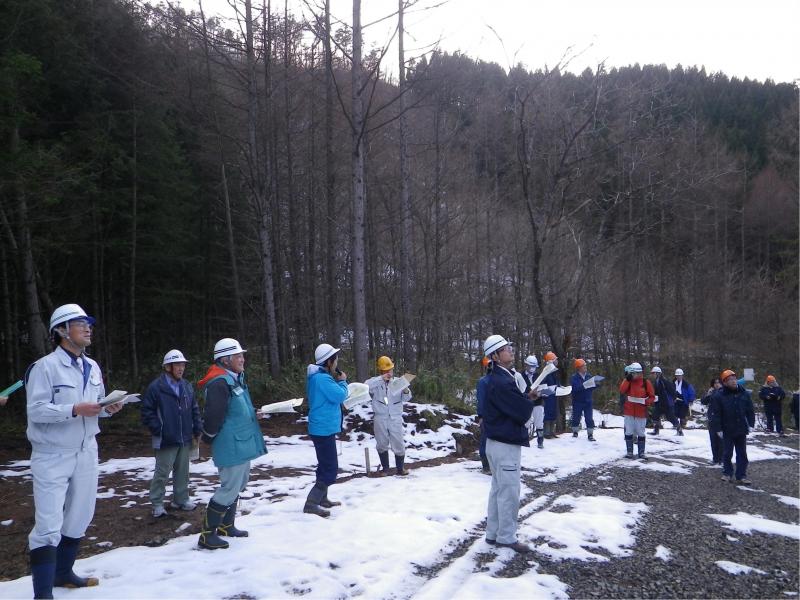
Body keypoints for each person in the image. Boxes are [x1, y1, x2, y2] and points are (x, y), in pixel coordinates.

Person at [25, 303, 124, 599]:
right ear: (62, 331)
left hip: (86, 451)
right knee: (48, 524)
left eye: (88, 323)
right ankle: (43, 593)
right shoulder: (43, 367)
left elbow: (94, 407)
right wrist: (73, 409)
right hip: (52, 454)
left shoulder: (92, 367)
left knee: (80, 515)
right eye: (80, 323)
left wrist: (108, 408)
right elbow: (36, 410)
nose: (87, 327)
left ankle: (63, 572)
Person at [197, 338, 266, 550]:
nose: (242, 359)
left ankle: (227, 526)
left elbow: (235, 408)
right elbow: (214, 416)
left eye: (242, 355)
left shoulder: (234, 378)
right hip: (231, 444)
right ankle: (207, 536)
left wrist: (253, 414)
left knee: (239, 484)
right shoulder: (219, 382)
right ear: (225, 360)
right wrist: (207, 438)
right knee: (229, 488)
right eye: (238, 356)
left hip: (241, 442)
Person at [482, 335, 537, 553]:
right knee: (509, 492)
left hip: (496, 443)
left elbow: (513, 404)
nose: (511, 351)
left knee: (498, 489)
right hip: (505, 445)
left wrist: (526, 397)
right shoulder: (503, 381)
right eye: (506, 349)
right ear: (495, 356)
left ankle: (493, 533)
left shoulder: (498, 378)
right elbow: (521, 412)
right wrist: (529, 400)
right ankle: (506, 537)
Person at [141, 349, 202, 518]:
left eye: (183, 364)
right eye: (178, 365)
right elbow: (147, 411)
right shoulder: (156, 387)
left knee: (183, 470)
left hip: (184, 437)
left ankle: (181, 500)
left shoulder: (187, 386)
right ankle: (157, 503)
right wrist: (159, 429)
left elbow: (194, 409)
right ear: (168, 367)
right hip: (165, 439)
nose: (181, 368)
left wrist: (197, 429)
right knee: (162, 472)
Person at [304, 343, 349, 517]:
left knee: (324, 465)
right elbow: (340, 395)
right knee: (330, 468)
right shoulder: (322, 379)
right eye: (335, 359)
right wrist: (343, 381)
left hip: (322, 428)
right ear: (329, 362)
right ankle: (311, 503)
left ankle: (322, 499)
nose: (337, 362)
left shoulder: (319, 377)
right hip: (323, 429)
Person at [366, 355, 411, 476]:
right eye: (386, 371)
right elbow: (366, 386)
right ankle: (385, 469)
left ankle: (400, 469)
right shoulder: (375, 382)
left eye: (390, 370)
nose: (389, 373)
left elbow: (407, 398)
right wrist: (381, 378)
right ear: (381, 371)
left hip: (395, 417)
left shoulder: (397, 382)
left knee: (398, 443)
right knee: (381, 443)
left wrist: (405, 389)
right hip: (380, 417)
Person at [711, 369, 755, 484]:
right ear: (724, 382)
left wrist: (751, 424)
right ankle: (727, 473)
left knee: (742, 454)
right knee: (727, 453)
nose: (733, 381)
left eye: (734, 379)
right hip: (727, 429)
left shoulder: (744, 393)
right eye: (730, 380)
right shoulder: (719, 396)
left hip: (741, 428)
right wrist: (718, 428)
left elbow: (750, 410)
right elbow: (716, 414)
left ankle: (741, 475)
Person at [619, 362, 655, 459]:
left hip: (641, 412)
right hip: (629, 411)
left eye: (634, 373)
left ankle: (641, 453)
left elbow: (652, 397)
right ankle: (629, 452)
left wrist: (646, 401)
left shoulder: (645, 382)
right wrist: (627, 379)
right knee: (628, 432)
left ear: (639, 373)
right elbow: (622, 390)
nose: (633, 375)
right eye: (632, 373)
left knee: (641, 432)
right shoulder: (628, 381)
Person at [649, 366, 683, 436]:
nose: (652, 375)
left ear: (658, 373)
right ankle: (656, 430)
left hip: (667, 404)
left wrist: (674, 399)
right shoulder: (657, 381)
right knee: (655, 415)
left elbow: (672, 391)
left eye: (653, 373)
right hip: (660, 403)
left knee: (671, 417)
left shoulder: (664, 381)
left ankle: (679, 431)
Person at [570, 358, 597, 441]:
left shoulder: (589, 376)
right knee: (576, 417)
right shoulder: (574, 377)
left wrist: (596, 384)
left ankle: (590, 434)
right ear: (579, 368)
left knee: (589, 418)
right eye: (583, 366)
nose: (585, 367)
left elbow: (592, 388)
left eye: (585, 365)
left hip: (588, 401)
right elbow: (575, 389)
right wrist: (584, 385)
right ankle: (575, 432)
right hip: (578, 401)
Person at [521, 355, 544, 449]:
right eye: (530, 366)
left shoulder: (539, 376)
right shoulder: (521, 376)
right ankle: (525, 440)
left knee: (539, 422)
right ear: (526, 365)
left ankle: (540, 441)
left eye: (534, 366)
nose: (532, 368)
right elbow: (520, 390)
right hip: (526, 403)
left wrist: (541, 392)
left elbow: (543, 387)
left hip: (538, 402)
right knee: (526, 422)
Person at [701, 377, 723, 464]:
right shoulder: (712, 393)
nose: (717, 384)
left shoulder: (724, 392)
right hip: (712, 420)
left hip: (721, 421)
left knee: (721, 441)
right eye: (715, 383)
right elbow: (703, 401)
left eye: (718, 383)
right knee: (713, 440)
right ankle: (715, 459)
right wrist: (708, 394)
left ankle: (721, 459)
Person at [476, 357, 492, 473]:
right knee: (485, 440)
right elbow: (481, 400)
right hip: (487, 415)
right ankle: (486, 466)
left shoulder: (485, 381)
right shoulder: (483, 381)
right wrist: (481, 416)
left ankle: (489, 464)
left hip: (492, 415)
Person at [541, 351, 559, 438]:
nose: (557, 361)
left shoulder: (554, 371)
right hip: (548, 396)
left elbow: (556, 382)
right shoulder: (546, 371)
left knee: (553, 412)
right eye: (555, 360)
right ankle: (546, 432)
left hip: (554, 395)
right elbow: (542, 383)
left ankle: (552, 432)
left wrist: (560, 387)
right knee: (548, 413)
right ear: (551, 361)